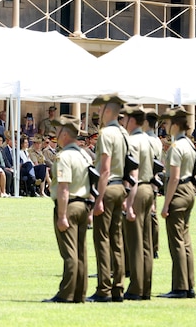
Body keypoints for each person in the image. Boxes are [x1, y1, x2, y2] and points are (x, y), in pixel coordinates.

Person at [43, 114, 93, 303]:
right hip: (83, 204)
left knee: (69, 252)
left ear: (64, 133)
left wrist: (62, 215)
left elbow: (63, 187)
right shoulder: (84, 154)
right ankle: (80, 292)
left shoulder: (64, 157)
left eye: (57, 131)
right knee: (81, 251)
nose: (56, 134)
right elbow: (92, 182)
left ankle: (67, 293)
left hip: (69, 205)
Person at [89, 95, 129, 303]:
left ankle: (104, 288)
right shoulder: (123, 133)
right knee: (117, 240)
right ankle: (118, 287)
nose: (98, 114)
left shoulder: (106, 134)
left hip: (108, 187)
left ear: (108, 111)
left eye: (101, 110)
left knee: (102, 239)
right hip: (120, 187)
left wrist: (98, 199)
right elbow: (130, 166)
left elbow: (104, 170)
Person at [123, 105, 162, 301]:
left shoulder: (131, 142)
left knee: (135, 241)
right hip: (149, 189)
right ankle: (146, 286)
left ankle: (136, 288)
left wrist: (128, 201)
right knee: (146, 242)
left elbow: (133, 173)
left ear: (131, 120)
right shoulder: (150, 140)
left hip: (137, 190)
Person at [159, 106, 196, 299]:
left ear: (175, 124)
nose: (164, 126)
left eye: (166, 122)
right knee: (185, 240)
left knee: (176, 242)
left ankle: (180, 286)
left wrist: (166, 204)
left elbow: (173, 178)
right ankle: (189, 284)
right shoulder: (188, 144)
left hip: (179, 190)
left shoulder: (176, 147)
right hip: (189, 188)